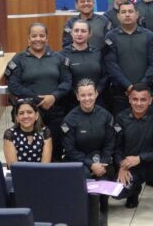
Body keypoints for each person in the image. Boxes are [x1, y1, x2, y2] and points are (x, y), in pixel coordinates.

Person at [5, 22, 72, 161]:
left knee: (56, 150)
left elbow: (67, 81)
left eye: (42, 36)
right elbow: (13, 85)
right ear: (28, 39)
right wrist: (36, 99)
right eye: (34, 36)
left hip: (55, 112)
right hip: (29, 114)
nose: (38, 39)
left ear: (47, 38)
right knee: (30, 151)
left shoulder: (58, 58)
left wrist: (54, 96)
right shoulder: (18, 59)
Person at [113, 83, 153, 225]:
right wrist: (121, 166)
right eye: (135, 99)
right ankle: (133, 191)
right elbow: (116, 148)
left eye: (143, 99)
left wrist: (141, 158)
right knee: (117, 193)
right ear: (129, 99)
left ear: (150, 100)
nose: (139, 103)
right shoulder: (121, 118)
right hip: (130, 167)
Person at [61, 79, 115, 213]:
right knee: (85, 178)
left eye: (90, 94)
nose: (87, 98)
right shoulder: (69, 120)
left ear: (96, 94)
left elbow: (110, 143)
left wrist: (103, 163)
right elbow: (70, 150)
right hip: (78, 160)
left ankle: (101, 213)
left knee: (104, 185)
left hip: (101, 160)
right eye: (83, 95)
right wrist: (91, 164)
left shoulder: (106, 116)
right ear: (77, 96)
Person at [104, 0, 153, 116]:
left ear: (137, 14)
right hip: (120, 94)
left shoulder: (149, 36)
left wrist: (140, 87)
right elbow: (111, 64)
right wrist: (128, 86)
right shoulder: (111, 37)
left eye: (130, 11)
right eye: (123, 12)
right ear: (118, 16)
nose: (127, 14)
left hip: (145, 93)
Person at [60, 19, 107, 108]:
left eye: (83, 31)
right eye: (76, 30)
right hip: (72, 103)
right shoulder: (62, 55)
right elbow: (64, 80)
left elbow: (105, 76)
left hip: (97, 101)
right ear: (71, 33)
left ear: (90, 34)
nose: (79, 34)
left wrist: (97, 92)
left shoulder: (98, 52)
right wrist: (80, 96)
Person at [3, 98, 52, 167]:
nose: (25, 116)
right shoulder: (10, 134)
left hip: (40, 175)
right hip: (18, 176)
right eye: (21, 113)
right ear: (17, 118)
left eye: (29, 112)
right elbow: (13, 167)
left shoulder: (45, 132)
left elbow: (45, 166)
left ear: (36, 115)